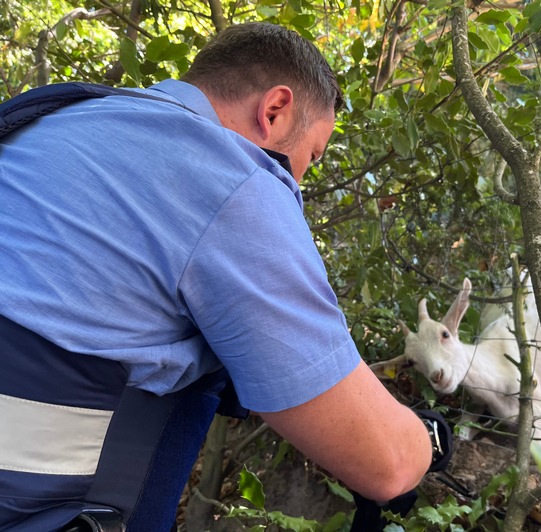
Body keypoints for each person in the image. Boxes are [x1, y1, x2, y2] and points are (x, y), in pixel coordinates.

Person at [0, 22, 442, 532]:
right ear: (274, 110)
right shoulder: (235, 182)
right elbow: (386, 463)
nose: (299, 180)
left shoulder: (49, 118)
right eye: (311, 158)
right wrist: (429, 440)